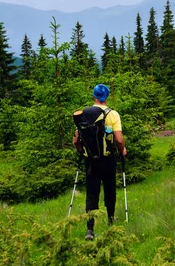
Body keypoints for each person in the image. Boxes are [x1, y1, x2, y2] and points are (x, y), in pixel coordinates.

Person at [72, 84, 127, 241]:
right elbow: (118, 139)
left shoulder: (84, 114)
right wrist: (122, 150)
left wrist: (81, 151)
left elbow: (76, 140)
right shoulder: (113, 114)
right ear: (107, 97)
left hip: (90, 160)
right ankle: (110, 221)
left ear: (93, 96)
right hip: (108, 159)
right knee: (110, 190)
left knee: (92, 193)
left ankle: (90, 229)